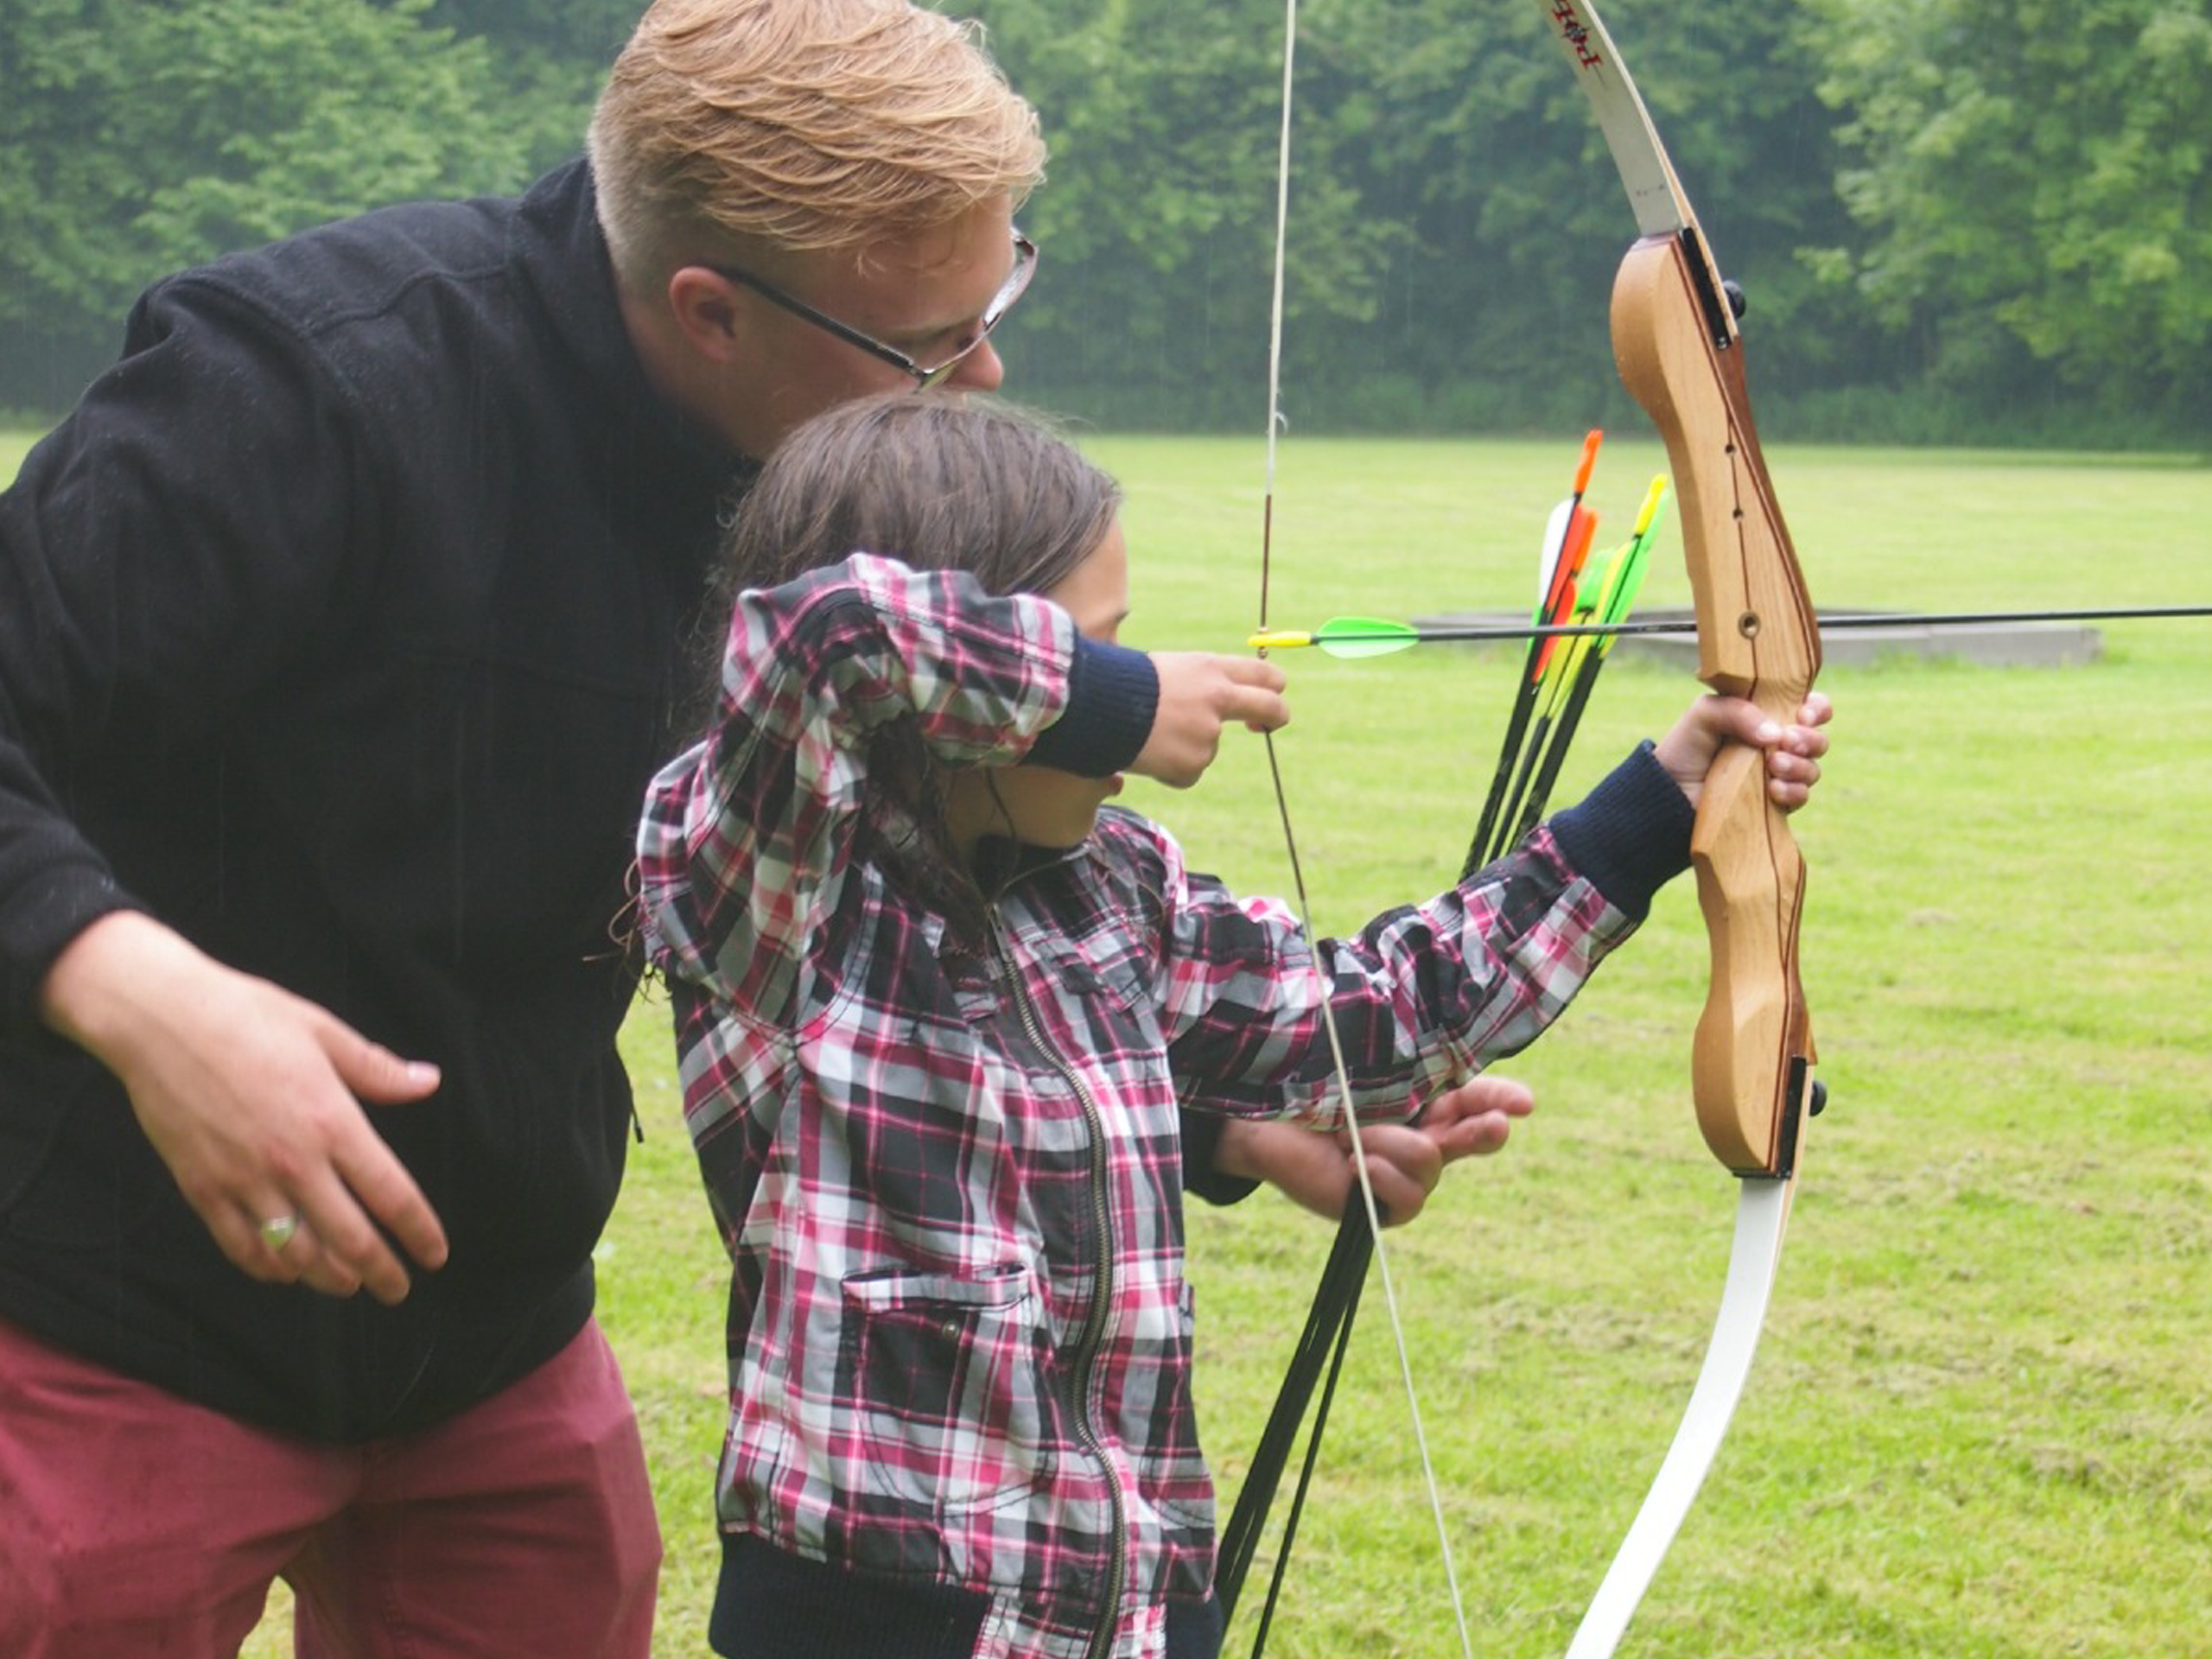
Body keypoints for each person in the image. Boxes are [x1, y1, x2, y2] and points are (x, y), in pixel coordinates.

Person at [0, 3, 1513, 1653]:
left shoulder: (814, 463)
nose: (986, 375)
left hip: (489, 1328)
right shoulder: (309, 382)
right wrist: (139, 994)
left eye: (997, 301)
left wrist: (1202, 1121)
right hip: (106, 1311)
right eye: (932, 342)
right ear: (710, 310)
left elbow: (868, 921)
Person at [634, 391, 1833, 1659]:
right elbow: (819, 637)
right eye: (1099, 657)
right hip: (878, 1630)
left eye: (1125, 656)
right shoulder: (778, 899)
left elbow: (1383, 1014)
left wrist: (1660, 803)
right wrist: (1109, 700)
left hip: (1138, 1619)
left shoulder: (1112, 890)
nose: (1133, 695)